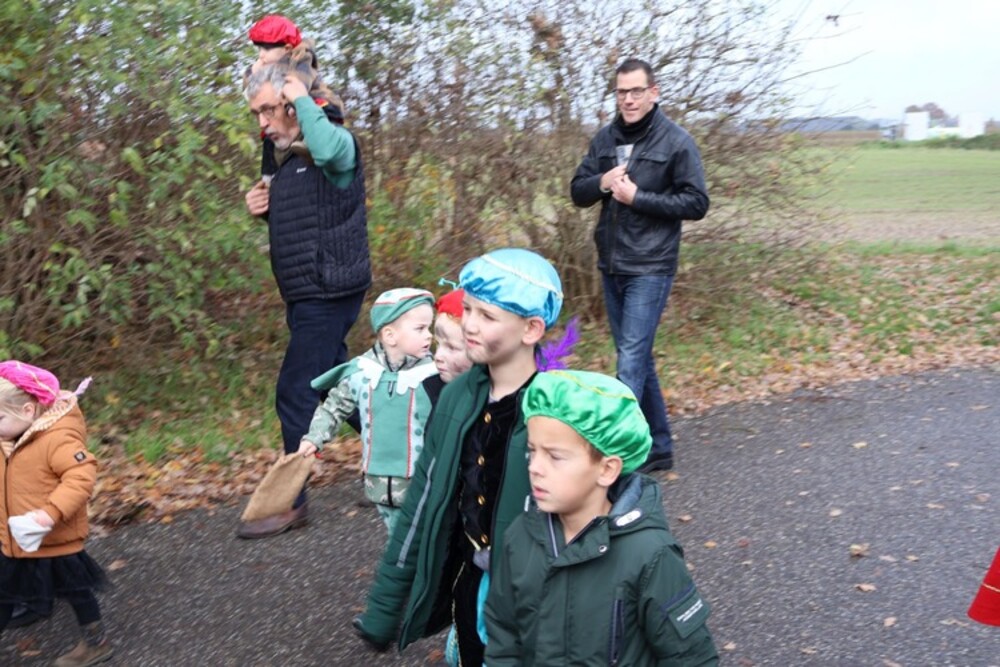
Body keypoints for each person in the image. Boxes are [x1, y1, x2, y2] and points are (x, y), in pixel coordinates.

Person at [353, 248, 563, 667]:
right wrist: (384, 607)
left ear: (531, 329)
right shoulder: (455, 399)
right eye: (468, 309)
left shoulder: (558, 411)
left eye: (487, 316)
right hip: (471, 589)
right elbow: (420, 508)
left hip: (537, 602)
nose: (469, 324)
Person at [484, 370, 719, 665]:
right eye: (532, 452)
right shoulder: (521, 536)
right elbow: (504, 636)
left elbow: (691, 657)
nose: (535, 468)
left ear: (607, 470)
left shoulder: (649, 555)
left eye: (555, 456)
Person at [239, 60, 371, 539]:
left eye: (269, 110)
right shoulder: (289, 159)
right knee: (340, 384)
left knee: (296, 389)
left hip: (329, 288)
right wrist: (263, 210)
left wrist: (299, 93)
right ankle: (413, 454)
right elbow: (306, 216)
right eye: (256, 113)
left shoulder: (335, 143)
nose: (262, 123)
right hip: (305, 291)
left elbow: (327, 149)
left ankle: (288, 502)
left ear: (294, 104)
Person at [570, 57, 710, 473]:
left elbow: (697, 202)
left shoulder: (676, 142)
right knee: (637, 356)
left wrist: (638, 198)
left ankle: (620, 456)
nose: (628, 100)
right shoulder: (605, 139)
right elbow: (577, 191)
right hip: (611, 264)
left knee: (630, 361)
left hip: (651, 265)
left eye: (636, 91)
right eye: (621, 92)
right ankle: (659, 446)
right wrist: (602, 182)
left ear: (653, 92)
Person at [296, 288, 437, 533]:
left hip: (425, 480)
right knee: (395, 534)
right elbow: (333, 408)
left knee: (422, 537)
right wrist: (314, 437)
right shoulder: (363, 372)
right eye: (420, 328)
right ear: (390, 335)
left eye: (429, 328)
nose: (429, 335)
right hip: (378, 480)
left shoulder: (436, 374)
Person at [0, 361, 112, 666]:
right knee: (3, 591)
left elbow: (80, 476)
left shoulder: (57, 438)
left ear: (27, 411)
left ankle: (96, 644)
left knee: (77, 592)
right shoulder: (8, 438)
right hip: (14, 538)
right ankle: (32, 606)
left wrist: (49, 514)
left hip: (54, 539)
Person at [245, 14, 346, 181]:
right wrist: (252, 73)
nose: (261, 55)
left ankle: (311, 145)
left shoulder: (302, 57)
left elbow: (300, 83)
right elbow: (252, 89)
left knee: (311, 116)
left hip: (321, 104)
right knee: (268, 137)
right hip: (294, 105)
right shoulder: (270, 63)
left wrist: (293, 103)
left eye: (266, 49)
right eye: (259, 49)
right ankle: (269, 176)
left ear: (286, 49)